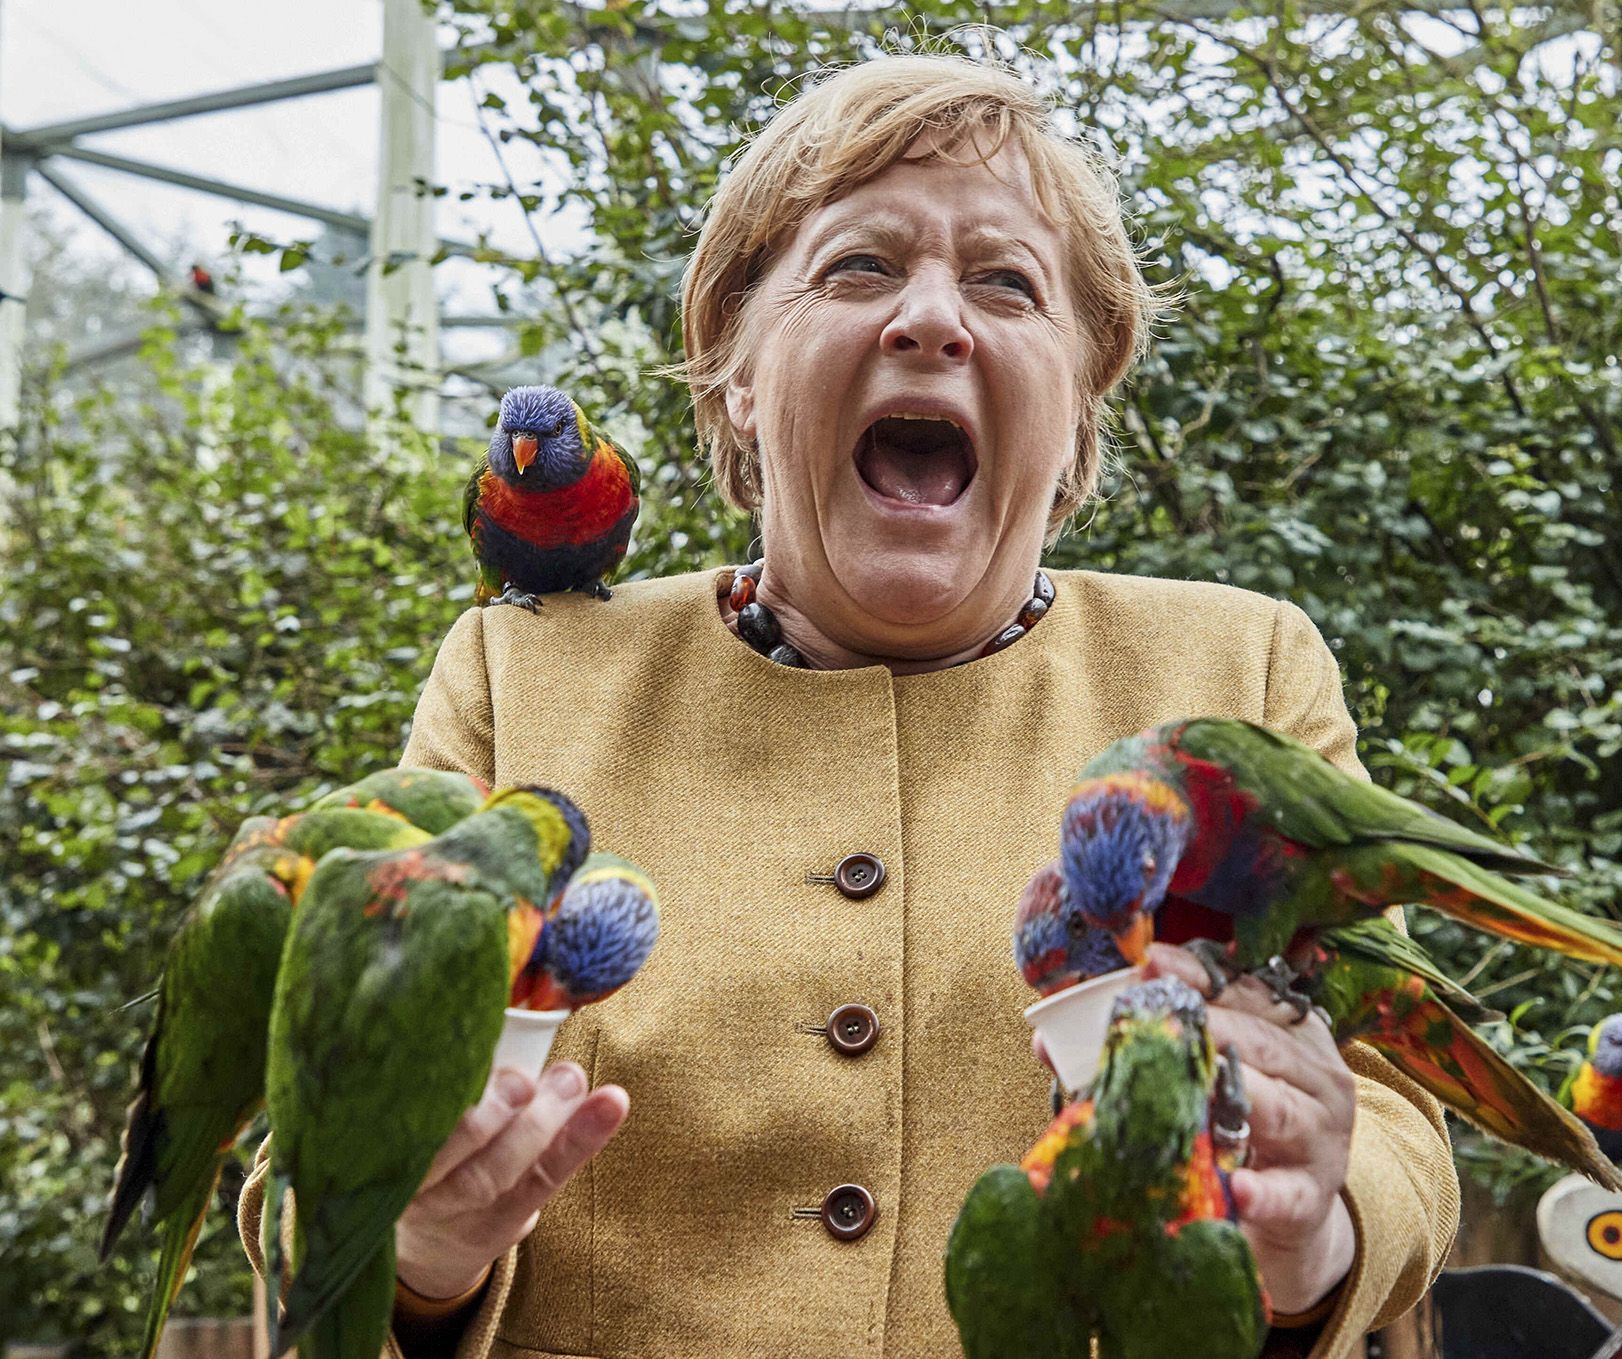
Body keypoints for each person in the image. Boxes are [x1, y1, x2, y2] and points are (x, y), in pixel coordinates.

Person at [239, 50, 1459, 1359]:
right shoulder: (523, 676)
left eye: (1007, 283)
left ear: (1078, 395)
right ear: (740, 379)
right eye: (859, 267)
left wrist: (1311, 1231)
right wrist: (417, 1249)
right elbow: (320, 1144)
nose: (932, 321)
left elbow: (1396, 1122)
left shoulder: (1244, 679)